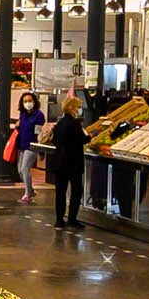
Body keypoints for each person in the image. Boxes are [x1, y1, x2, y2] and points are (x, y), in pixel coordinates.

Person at [47, 92, 89, 229]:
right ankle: (72, 219)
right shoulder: (75, 124)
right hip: (73, 163)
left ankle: (59, 220)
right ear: (72, 108)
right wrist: (91, 136)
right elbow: (82, 140)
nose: (79, 110)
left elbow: (54, 140)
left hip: (59, 162)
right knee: (76, 191)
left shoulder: (59, 123)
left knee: (60, 192)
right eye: (78, 107)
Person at [4, 88, 44, 206]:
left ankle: (28, 194)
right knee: (20, 170)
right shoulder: (23, 114)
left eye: (29, 101)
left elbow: (38, 132)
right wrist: (18, 126)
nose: (27, 103)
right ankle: (30, 190)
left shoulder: (39, 115)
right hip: (21, 144)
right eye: (25, 101)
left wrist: (41, 150)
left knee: (25, 169)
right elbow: (21, 128)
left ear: (34, 101)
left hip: (31, 145)